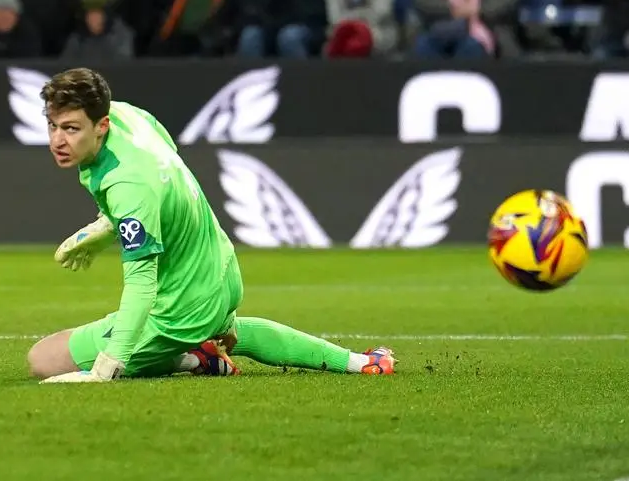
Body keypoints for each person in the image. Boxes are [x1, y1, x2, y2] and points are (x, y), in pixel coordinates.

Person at [27, 67, 395, 382]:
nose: (58, 140)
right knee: (230, 329)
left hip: (180, 309)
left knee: (43, 359)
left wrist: (106, 367)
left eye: (71, 129)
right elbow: (168, 159)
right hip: (220, 271)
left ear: (101, 125)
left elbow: (142, 286)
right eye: (52, 126)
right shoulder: (129, 116)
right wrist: (109, 226)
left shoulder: (128, 185)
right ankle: (362, 363)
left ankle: (189, 355)